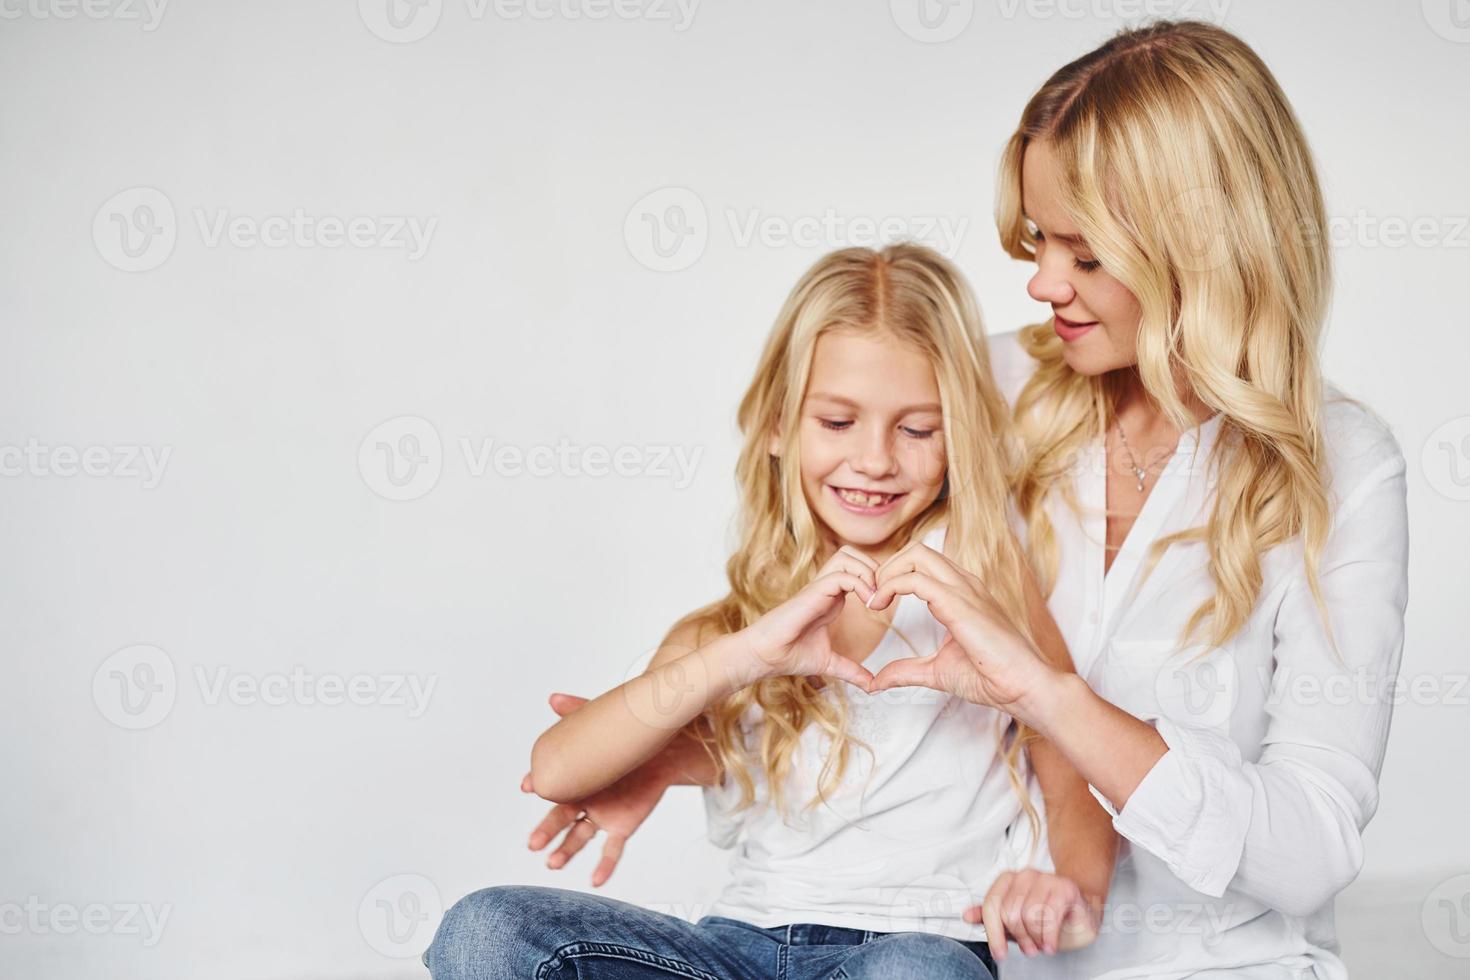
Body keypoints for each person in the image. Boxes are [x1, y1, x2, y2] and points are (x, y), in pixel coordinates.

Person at [426, 243, 1118, 979]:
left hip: (911, 946)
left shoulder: (980, 581)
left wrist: (1072, 889)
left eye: (917, 429)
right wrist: (745, 655)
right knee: (485, 929)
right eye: (838, 422)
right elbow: (558, 768)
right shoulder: (730, 627)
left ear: (958, 442)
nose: (876, 460)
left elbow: (1070, 761)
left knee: (918, 972)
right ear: (779, 427)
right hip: (738, 945)